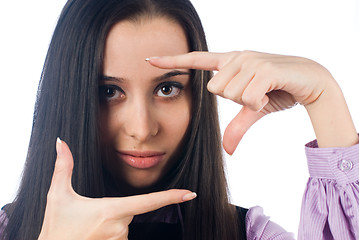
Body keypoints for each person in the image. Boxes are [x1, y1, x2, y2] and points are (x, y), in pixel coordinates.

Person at [1, 0, 358, 239]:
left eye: (167, 89)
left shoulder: (249, 234)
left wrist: (324, 98)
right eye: (109, 92)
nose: (142, 129)